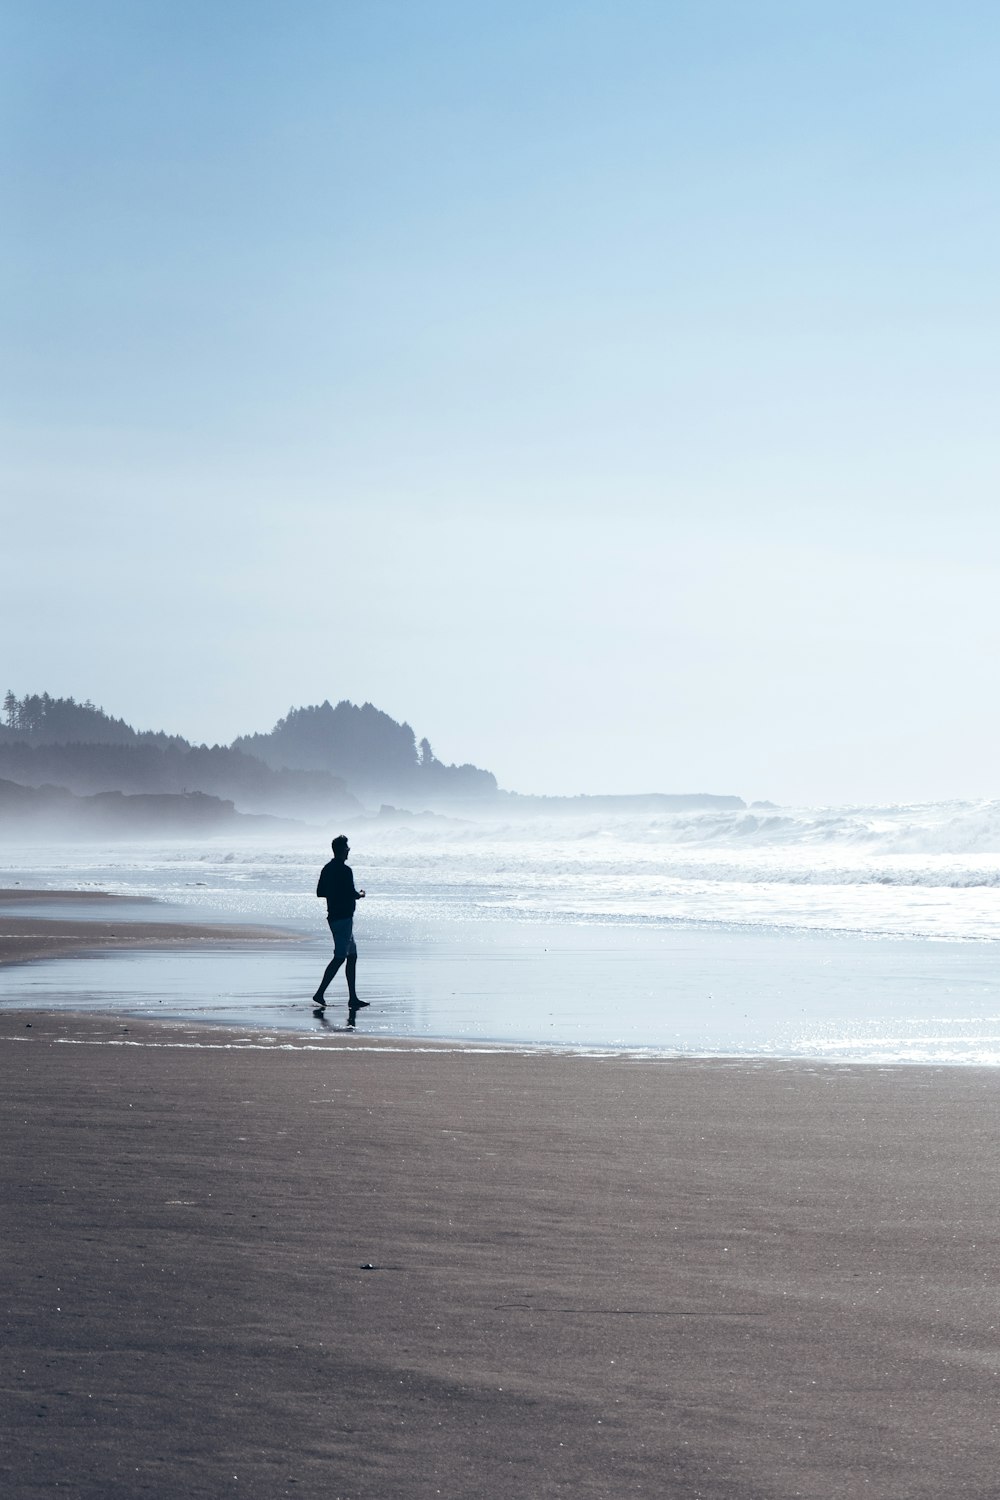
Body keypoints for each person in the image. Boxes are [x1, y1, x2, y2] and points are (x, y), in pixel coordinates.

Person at [313, 834, 367, 1018]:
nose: (349, 850)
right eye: (347, 848)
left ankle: (353, 998)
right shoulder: (345, 870)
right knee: (340, 957)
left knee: (352, 956)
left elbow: (320, 892)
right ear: (342, 850)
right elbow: (351, 893)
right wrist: (359, 894)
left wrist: (336, 892)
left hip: (336, 917)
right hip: (342, 918)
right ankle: (320, 993)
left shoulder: (327, 869)